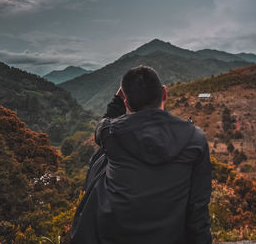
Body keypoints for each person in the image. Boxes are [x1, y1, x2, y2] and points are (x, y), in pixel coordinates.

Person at [70, 65, 212, 244]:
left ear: (127, 104)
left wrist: (117, 100)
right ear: (164, 93)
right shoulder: (195, 139)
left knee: (102, 157)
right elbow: (198, 207)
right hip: (171, 237)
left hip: (111, 235)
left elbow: (103, 123)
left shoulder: (111, 133)